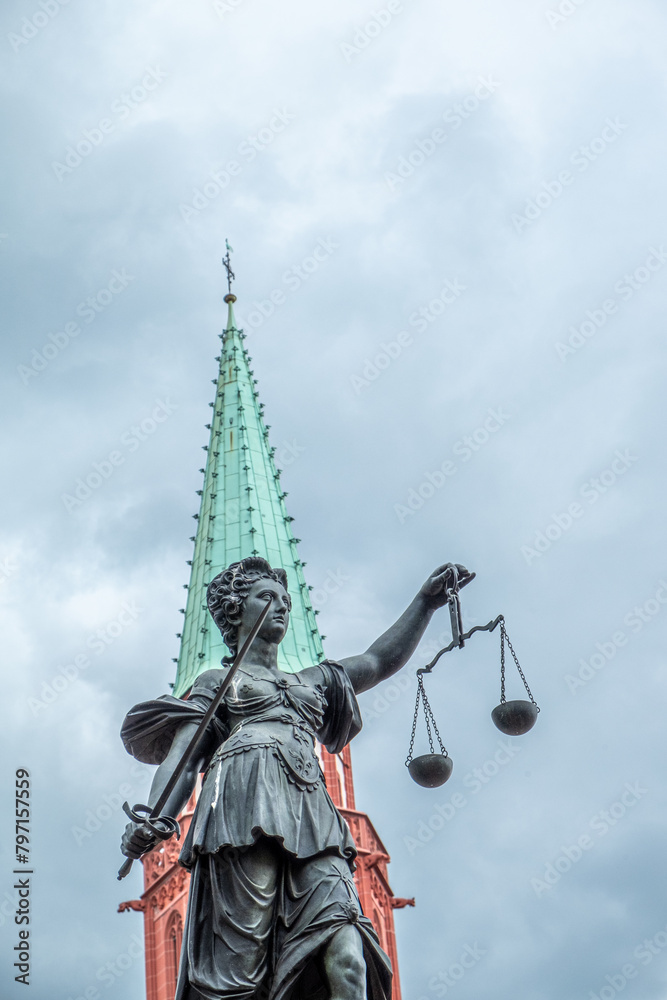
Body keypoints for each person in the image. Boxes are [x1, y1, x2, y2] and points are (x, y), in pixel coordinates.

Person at [120, 556, 473, 1000]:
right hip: (243, 811)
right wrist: (155, 818)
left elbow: (378, 660)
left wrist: (425, 603)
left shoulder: (313, 680)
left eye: (286, 600)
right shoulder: (218, 680)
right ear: (235, 610)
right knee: (242, 967)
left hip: (312, 816)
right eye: (267, 597)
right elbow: (184, 759)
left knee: (348, 955)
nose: (282, 606)